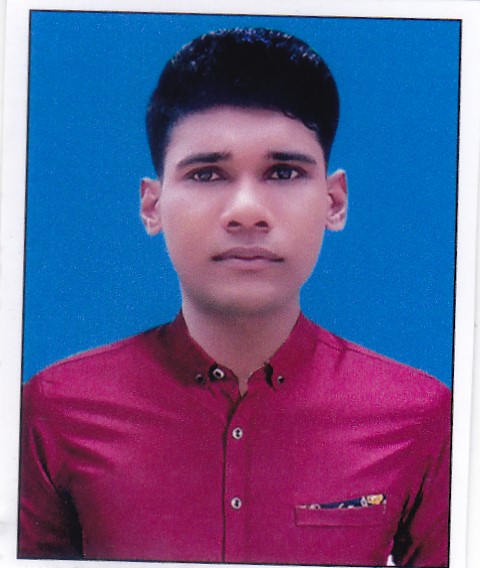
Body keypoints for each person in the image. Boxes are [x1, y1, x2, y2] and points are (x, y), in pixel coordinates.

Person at [19, 28, 451, 567]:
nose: (247, 211)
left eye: (284, 172)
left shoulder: (418, 415)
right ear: (152, 206)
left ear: (334, 202)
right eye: (207, 174)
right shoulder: (56, 409)